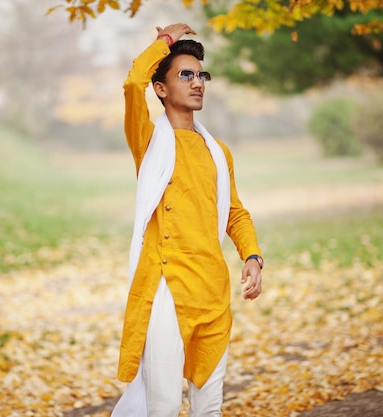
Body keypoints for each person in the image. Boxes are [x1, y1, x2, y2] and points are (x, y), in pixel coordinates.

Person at [111, 23, 264, 417]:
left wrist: (252, 256)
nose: (198, 83)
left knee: (209, 408)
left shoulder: (218, 151)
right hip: (166, 290)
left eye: (202, 75)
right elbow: (132, 85)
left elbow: (234, 211)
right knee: (162, 408)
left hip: (212, 293)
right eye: (186, 74)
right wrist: (162, 43)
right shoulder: (148, 141)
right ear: (161, 88)